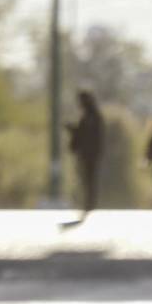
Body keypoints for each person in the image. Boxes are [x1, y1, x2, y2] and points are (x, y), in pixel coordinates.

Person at [65, 91, 103, 220]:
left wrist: (74, 132)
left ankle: (90, 204)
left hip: (90, 154)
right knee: (86, 179)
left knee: (89, 179)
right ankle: (88, 203)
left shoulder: (92, 116)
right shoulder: (89, 116)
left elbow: (87, 135)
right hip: (87, 153)